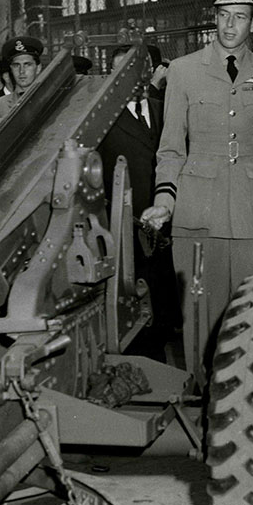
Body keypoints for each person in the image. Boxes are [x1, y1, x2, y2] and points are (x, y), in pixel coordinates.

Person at [140, 0, 253, 380]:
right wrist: (165, 200)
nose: (230, 24)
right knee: (201, 326)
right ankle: (205, 406)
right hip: (196, 215)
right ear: (214, 17)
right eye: (223, 14)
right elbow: (170, 148)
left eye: (240, 16)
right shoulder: (183, 71)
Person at [98, 45, 181, 361]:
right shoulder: (103, 121)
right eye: (121, 72)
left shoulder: (166, 110)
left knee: (165, 307)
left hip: (166, 229)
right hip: (126, 233)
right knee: (136, 314)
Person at [0, 36, 43, 138]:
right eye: (16, 65)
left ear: (38, 68)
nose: (21, 71)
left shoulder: (48, 97)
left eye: (27, 64)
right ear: (11, 69)